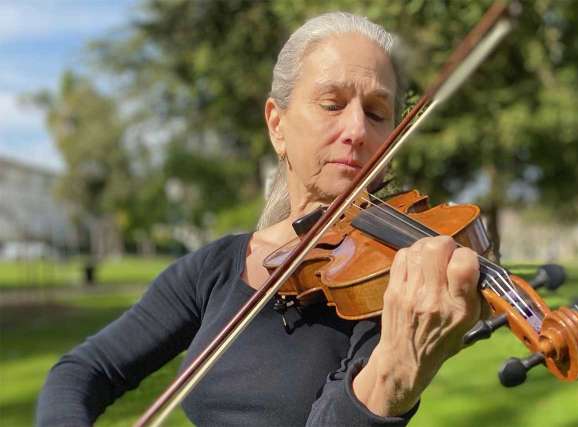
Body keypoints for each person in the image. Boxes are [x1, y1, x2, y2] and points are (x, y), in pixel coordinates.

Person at [37, 12, 482, 426]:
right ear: (277, 125)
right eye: (332, 104)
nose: (357, 130)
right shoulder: (217, 268)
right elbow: (82, 372)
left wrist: (393, 376)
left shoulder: (394, 284)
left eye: (377, 113)